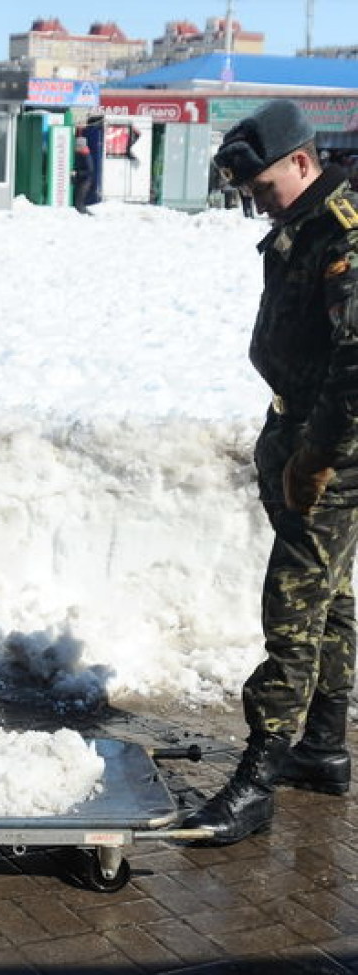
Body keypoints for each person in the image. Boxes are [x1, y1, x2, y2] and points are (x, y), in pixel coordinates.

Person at [182, 100, 358, 845]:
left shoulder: (341, 232)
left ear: (302, 162)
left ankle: (258, 776)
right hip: (297, 429)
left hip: (333, 446)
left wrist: (315, 456)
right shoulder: (301, 224)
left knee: (291, 602)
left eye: (263, 189)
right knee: (330, 593)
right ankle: (321, 745)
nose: (258, 204)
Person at [72, 135, 95, 214]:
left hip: (85, 182)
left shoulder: (86, 156)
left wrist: (77, 173)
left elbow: (89, 170)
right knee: (77, 203)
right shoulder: (79, 154)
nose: (75, 148)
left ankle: (88, 216)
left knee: (79, 203)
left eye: (77, 146)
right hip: (81, 180)